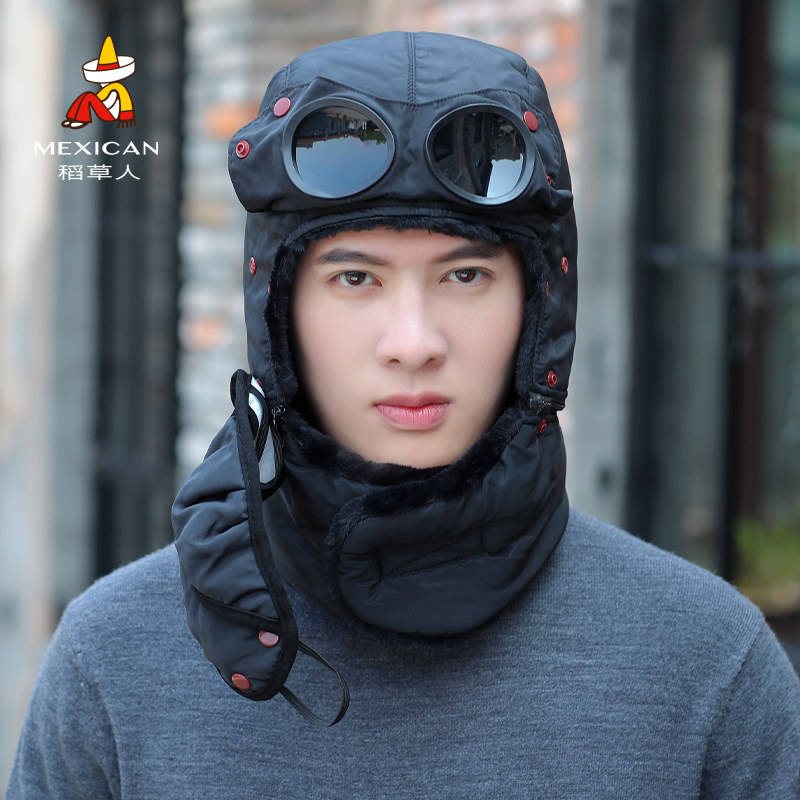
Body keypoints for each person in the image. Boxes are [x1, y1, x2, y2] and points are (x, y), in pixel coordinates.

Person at [7, 31, 800, 799]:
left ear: (540, 310)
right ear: (278, 313)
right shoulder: (114, 655)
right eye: (355, 278)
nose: (414, 343)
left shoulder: (708, 662)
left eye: (465, 276)